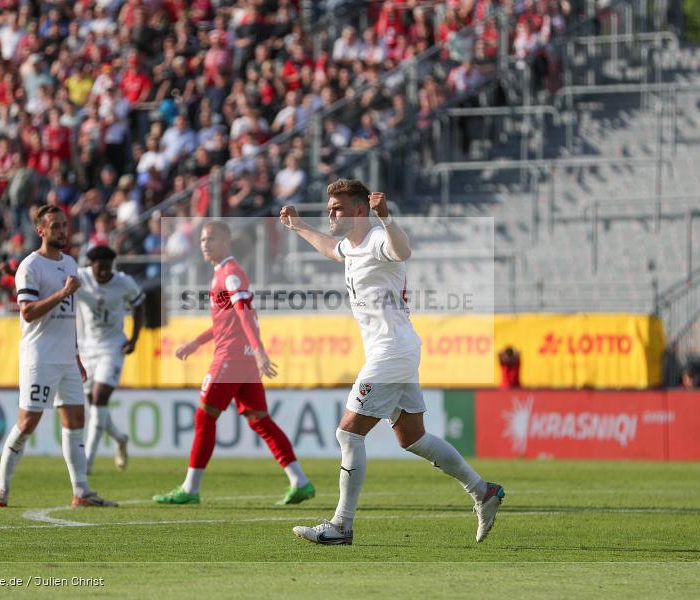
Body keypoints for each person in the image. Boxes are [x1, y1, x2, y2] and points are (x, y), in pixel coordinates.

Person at [281, 180, 504, 545]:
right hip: (395, 350)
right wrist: (299, 226)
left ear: (359, 211)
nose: (330, 213)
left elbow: (402, 250)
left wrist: (386, 218)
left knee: (348, 432)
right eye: (329, 207)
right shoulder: (351, 247)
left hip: (391, 351)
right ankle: (484, 491)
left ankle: (341, 526)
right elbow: (332, 250)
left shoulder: (376, 240)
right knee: (412, 438)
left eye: (337, 207)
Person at [153, 221, 315, 506]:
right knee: (260, 420)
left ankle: (190, 489)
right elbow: (225, 322)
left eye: (211, 239)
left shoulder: (230, 273)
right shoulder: (222, 273)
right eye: (203, 239)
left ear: (226, 242)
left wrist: (260, 351)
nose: (205, 244)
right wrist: (196, 343)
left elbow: (245, 313)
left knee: (205, 417)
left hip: (232, 357)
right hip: (242, 357)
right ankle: (300, 481)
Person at [0, 205, 116, 508]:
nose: (62, 231)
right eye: (55, 226)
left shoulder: (70, 263)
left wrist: (76, 354)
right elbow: (27, 312)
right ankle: (1, 489)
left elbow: (69, 317)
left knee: (76, 420)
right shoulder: (30, 266)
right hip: (40, 356)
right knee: (28, 422)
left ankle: (81, 491)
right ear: (41, 231)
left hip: (66, 357)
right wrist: (62, 293)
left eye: (64, 225)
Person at [75, 245, 145, 474]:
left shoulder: (124, 282)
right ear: (91, 265)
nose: (104, 272)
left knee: (99, 399)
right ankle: (120, 438)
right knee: (96, 406)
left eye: (108, 268)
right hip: (87, 349)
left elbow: (139, 304)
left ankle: (87, 462)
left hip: (113, 347)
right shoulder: (79, 277)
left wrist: (134, 338)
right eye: (100, 268)